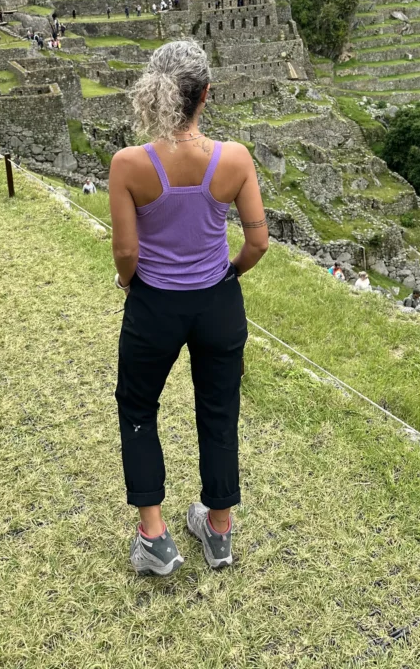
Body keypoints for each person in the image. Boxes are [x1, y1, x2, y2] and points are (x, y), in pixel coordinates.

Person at [109, 40, 269, 577]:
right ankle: (218, 530)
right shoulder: (234, 159)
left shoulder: (130, 164)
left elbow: (126, 251)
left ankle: (154, 537)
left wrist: (131, 284)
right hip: (217, 303)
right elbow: (257, 242)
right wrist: (227, 275)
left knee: (138, 408)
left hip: (155, 302)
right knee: (220, 412)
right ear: (207, 96)